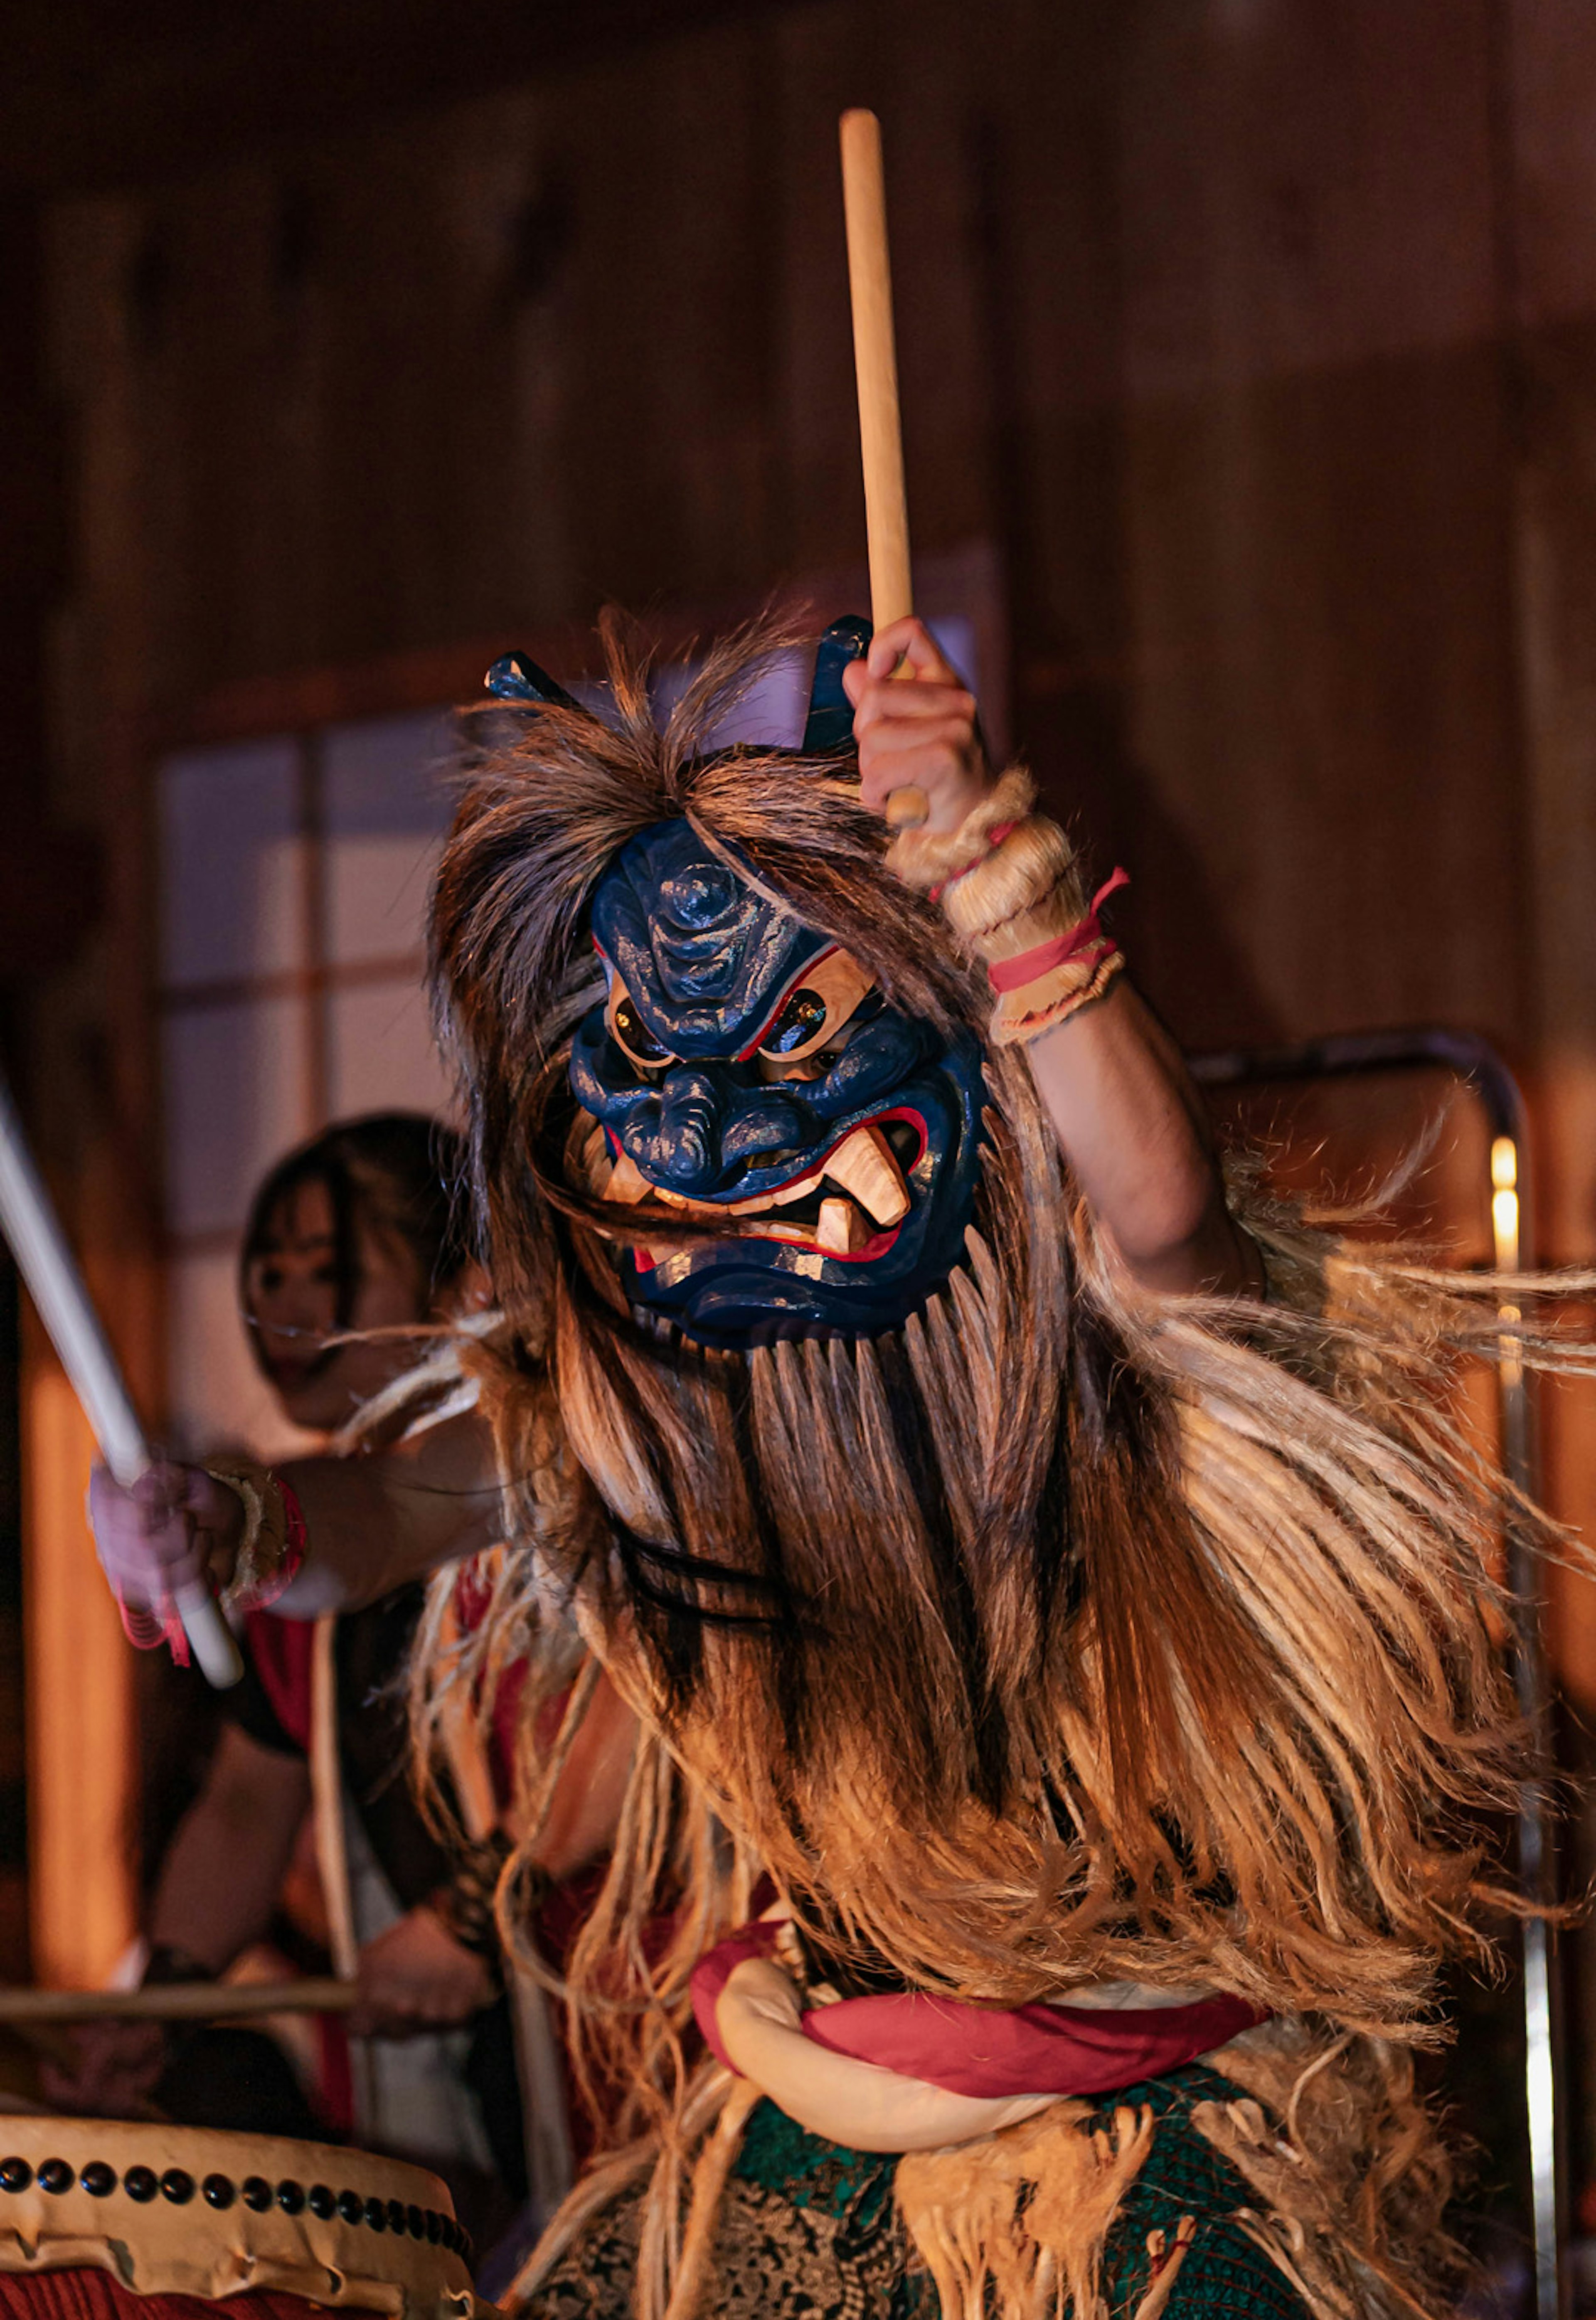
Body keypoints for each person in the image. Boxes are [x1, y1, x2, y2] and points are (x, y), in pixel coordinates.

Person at [89, 615, 1569, 2319]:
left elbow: (1171, 1222)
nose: (719, 1139)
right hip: (822, 2094)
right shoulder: (656, 1403)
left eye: (793, 1045)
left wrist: (983, 857)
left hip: (1160, 2124)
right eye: (651, 1066)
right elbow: (395, 1509)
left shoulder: (1099, 1335)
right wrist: (233, 1527)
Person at [58, 1115, 626, 2239]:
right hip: (463, 2050)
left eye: (325, 1271)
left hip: (634, 2009)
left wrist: (469, 1911)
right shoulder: (353, 1500)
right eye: (266, 1274)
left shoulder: (589, 1428)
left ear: (463, 1272)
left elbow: (651, 1717)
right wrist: (166, 1996)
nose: (288, 1312)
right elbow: (250, 1789)